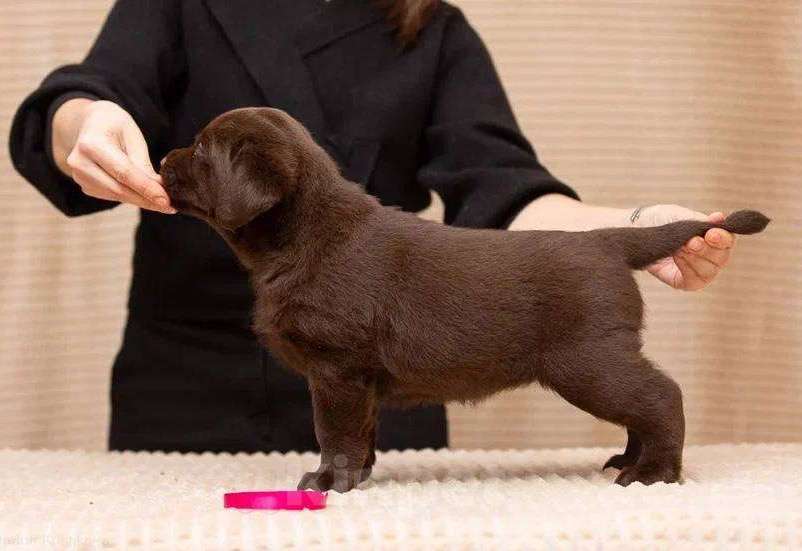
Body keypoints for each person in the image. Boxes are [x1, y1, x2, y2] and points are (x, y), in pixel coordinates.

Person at [9, 0, 737, 454]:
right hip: (187, 385)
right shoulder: (180, 4)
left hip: (389, 374)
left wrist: (638, 227)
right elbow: (87, 96)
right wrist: (84, 122)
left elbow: (504, 193)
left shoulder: (436, 33)